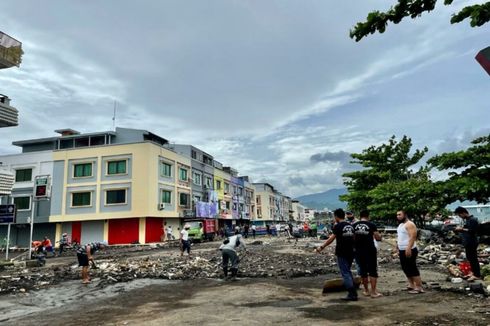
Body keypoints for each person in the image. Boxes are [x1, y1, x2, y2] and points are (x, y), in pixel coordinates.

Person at [315, 208, 357, 301]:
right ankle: (353, 291)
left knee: (345, 272)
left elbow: (331, 239)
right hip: (351, 252)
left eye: (334, 216)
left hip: (342, 252)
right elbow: (354, 238)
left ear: (336, 216)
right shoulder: (350, 226)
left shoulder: (338, 226)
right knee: (348, 271)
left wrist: (322, 247)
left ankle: (352, 293)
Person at [353, 210, 382, 298]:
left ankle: (366, 291)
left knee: (363, 271)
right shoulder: (371, 225)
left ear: (360, 216)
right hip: (370, 250)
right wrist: (380, 237)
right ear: (368, 216)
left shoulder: (354, 225)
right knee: (372, 271)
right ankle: (373, 292)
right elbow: (377, 238)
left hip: (358, 251)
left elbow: (352, 238)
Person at [396, 210, 424, 294]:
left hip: (410, 249)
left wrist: (408, 248)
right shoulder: (401, 225)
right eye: (397, 215)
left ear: (405, 215)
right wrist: (397, 246)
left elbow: (413, 237)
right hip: (401, 249)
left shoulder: (410, 224)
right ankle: (411, 284)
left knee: (412, 267)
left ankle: (419, 287)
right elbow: (400, 237)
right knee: (405, 267)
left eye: (400, 214)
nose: (398, 216)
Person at [454, 206, 481, 281]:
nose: (460, 217)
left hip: (472, 242)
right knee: (470, 258)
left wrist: (462, 229)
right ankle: (473, 272)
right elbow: (466, 229)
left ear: (463, 213)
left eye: (460, 215)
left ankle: (477, 275)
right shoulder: (467, 220)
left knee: (473, 259)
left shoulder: (473, 220)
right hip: (468, 242)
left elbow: (472, 231)